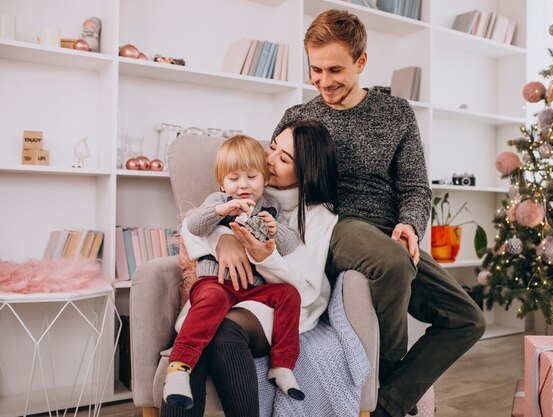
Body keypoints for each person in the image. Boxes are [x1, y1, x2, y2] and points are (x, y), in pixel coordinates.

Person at [271, 9, 487, 417]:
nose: (323, 81)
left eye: (335, 69)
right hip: (335, 225)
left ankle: (386, 403)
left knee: (468, 319)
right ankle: (388, 369)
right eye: (315, 69)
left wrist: (410, 224)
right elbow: (273, 172)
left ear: (362, 62)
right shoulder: (299, 120)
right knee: (391, 262)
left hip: (389, 230)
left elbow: (416, 187)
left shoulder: (397, 113)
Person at [159, 119, 339, 417]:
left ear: (306, 171)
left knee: (218, 330)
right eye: (272, 147)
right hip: (222, 289)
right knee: (203, 328)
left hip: (272, 300)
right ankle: (179, 372)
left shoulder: (316, 216)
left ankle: (281, 366)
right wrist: (222, 243)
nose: (268, 160)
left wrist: (262, 254)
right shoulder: (243, 192)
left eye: (283, 158)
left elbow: (299, 284)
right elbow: (193, 226)